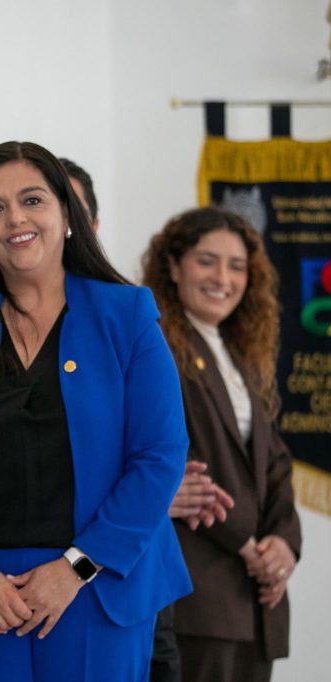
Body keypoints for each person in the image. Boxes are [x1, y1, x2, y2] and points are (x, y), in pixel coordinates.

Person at [0, 141, 192, 681]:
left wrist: (75, 568)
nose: (15, 218)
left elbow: (160, 456)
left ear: (67, 214)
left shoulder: (126, 314)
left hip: (95, 584)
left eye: (32, 200)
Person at [59, 156, 235, 682]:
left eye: (69, 212)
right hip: (43, 573)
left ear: (91, 226)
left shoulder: (129, 316)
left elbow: (160, 454)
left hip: (135, 576)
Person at [141, 207, 301, 682]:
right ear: (174, 266)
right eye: (206, 261)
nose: (222, 278)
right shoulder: (156, 345)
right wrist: (248, 546)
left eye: (236, 266)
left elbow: (276, 463)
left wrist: (284, 545)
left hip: (256, 600)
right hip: (199, 593)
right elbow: (180, 465)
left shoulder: (241, 356)